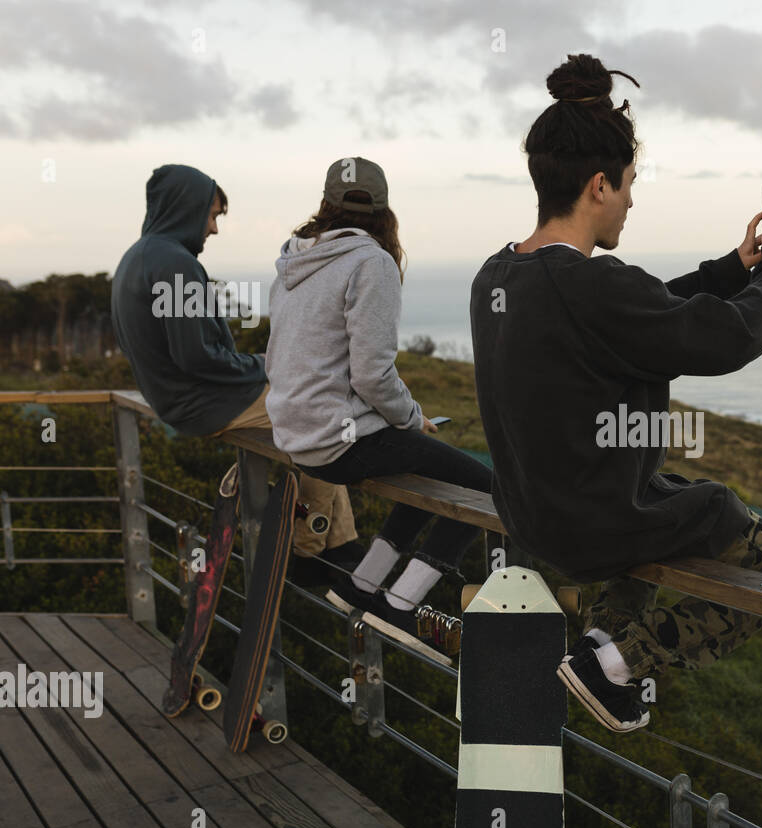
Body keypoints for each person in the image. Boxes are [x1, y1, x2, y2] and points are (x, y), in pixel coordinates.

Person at [469, 54, 762, 733]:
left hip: (531, 516)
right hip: (596, 524)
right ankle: (617, 663)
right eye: (629, 185)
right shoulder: (594, 285)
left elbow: (638, 316)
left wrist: (728, 269)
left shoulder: (497, 275)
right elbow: (729, 338)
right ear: (599, 185)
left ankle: (601, 651)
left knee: (684, 496)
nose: (632, 199)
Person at [265, 157, 494, 648]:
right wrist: (411, 418)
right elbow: (372, 374)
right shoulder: (372, 262)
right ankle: (401, 605)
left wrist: (402, 424)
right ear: (384, 208)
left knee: (424, 468)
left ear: (326, 204)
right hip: (339, 442)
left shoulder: (292, 260)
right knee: (488, 488)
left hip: (297, 438)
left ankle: (359, 586)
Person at [110, 164, 362, 584]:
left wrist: (259, 363)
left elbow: (188, 351)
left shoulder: (137, 257)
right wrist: (262, 365)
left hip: (179, 401)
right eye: (211, 216)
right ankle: (310, 551)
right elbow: (197, 358)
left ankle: (343, 551)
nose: (213, 229)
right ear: (185, 209)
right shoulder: (174, 263)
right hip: (206, 404)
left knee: (316, 405)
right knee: (325, 415)